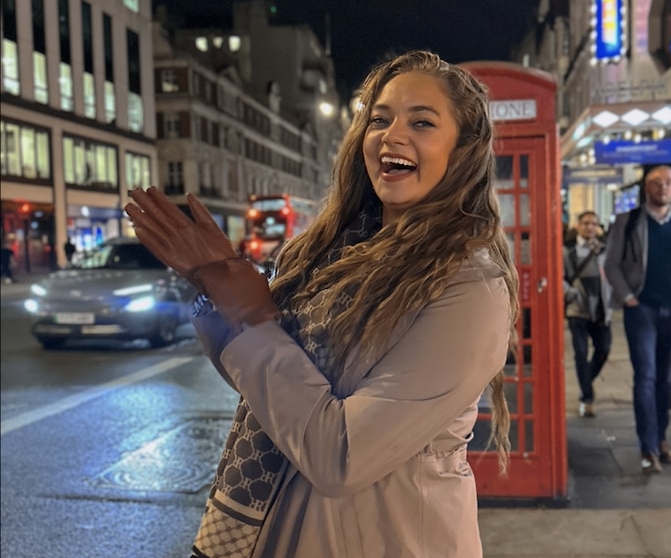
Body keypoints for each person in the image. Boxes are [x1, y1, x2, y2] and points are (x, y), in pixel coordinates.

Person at [124, 50, 519, 557]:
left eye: (421, 122)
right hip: (294, 528)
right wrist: (215, 288)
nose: (391, 136)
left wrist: (252, 318)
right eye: (379, 119)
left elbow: (343, 456)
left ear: (463, 150)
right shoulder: (335, 254)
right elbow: (269, 393)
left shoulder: (467, 288)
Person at [603, 166, 671, 474]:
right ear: (646, 188)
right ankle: (647, 447)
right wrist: (628, 298)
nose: (663, 187)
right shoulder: (629, 221)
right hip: (642, 311)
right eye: (656, 183)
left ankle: (660, 437)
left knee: (666, 379)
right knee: (645, 377)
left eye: (669, 183)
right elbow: (611, 263)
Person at [563, 211, 612, 418]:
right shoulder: (568, 251)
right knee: (581, 354)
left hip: (601, 309)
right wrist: (571, 293)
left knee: (603, 350)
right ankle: (586, 397)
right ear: (578, 225)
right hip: (578, 309)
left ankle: (587, 381)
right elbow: (560, 277)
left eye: (594, 223)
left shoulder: (605, 250)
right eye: (586, 223)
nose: (590, 227)